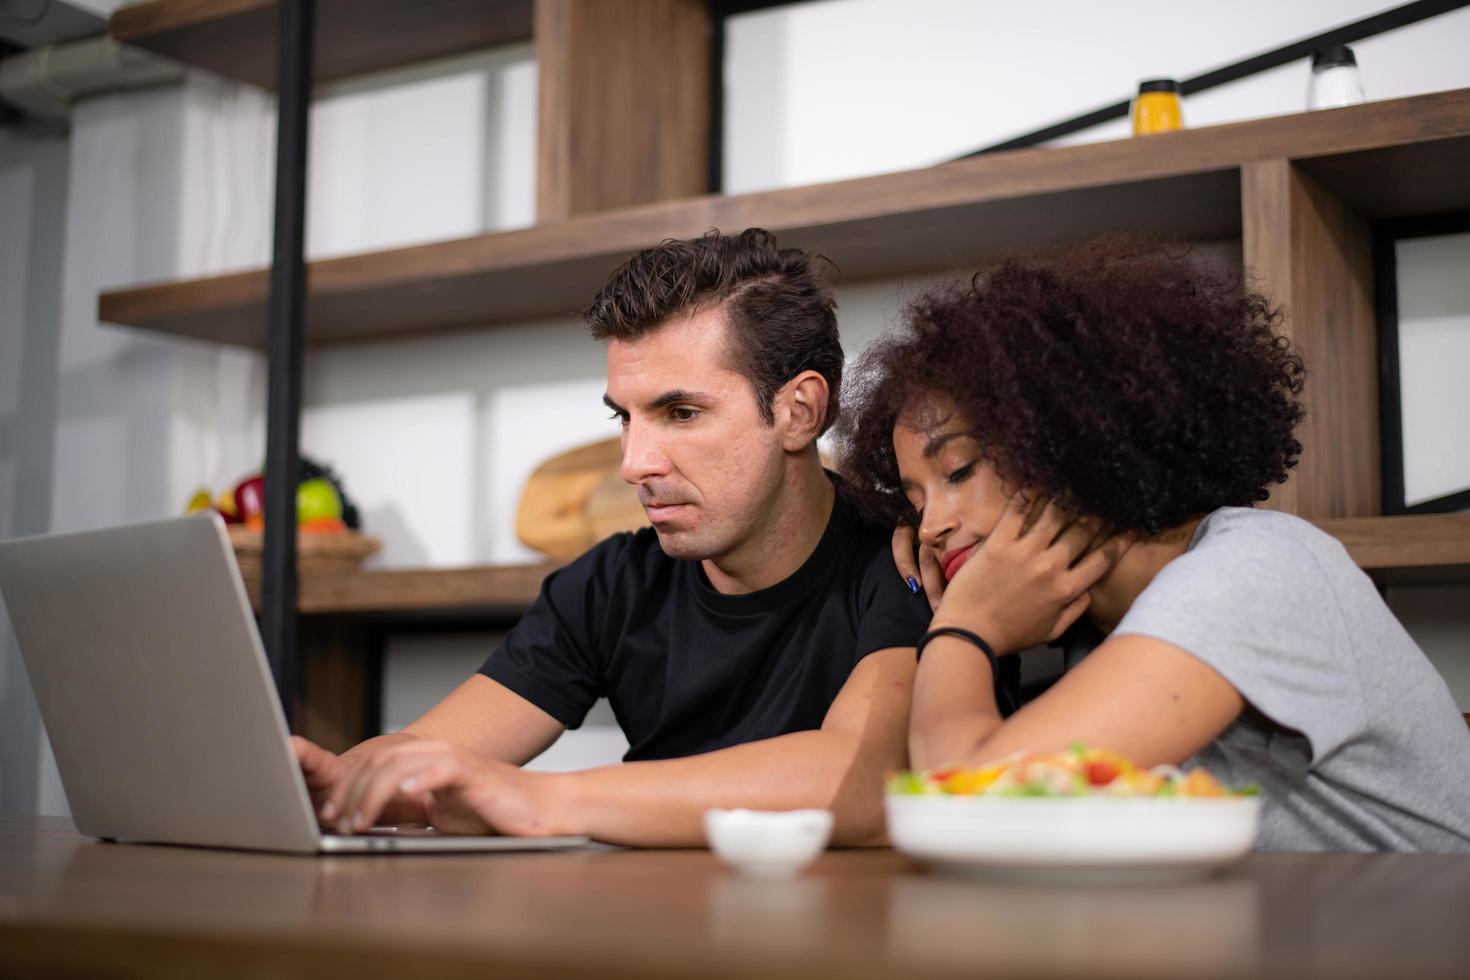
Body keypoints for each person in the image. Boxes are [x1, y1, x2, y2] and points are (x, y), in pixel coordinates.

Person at [291, 228, 933, 846]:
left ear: (800, 411)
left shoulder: (908, 558)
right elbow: (435, 755)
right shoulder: (609, 586)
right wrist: (335, 782)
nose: (633, 464)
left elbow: (862, 781)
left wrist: (543, 801)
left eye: (681, 414)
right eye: (624, 417)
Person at [836, 238, 1470, 852]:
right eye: (916, 503)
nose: (930, 527)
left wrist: (964, 626)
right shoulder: (1094, 633)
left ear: (1067, 435)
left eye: (960, 471)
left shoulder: (1251, 571)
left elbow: (970, 811)